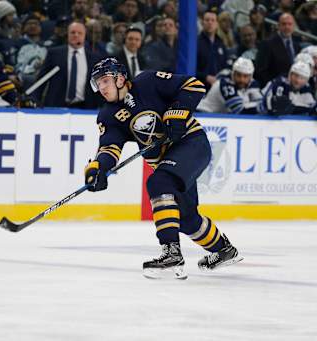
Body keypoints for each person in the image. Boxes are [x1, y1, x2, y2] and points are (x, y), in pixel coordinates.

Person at [84, 57, 243, 279]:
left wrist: (176, 113)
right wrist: (98, 169)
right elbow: (110, 148)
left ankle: (171, 253)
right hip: (167, 162)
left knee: (158, 182)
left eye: (104, 81)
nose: (101, 88)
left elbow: (193, 85)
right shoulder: (108, 115)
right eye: (97, 84)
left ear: (120, 78)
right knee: (187, 219)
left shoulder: (147, 82)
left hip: (191, 144)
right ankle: (224, 250)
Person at [197, 57, 262, 114]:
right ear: (233, 73)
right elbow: (239, 110)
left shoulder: (252, 83)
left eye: (245, 76)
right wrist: (262, 106)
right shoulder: (225, 83)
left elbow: (259, 101)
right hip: (202, 115)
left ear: (251, 77)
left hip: (218, 118)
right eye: (238, 75)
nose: (242, 79)